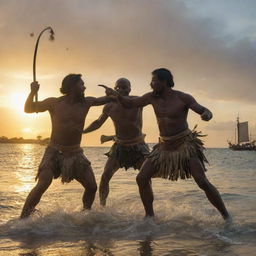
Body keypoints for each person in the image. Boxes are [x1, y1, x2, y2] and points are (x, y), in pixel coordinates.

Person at [105, 68, 231, 222]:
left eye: (154, 81)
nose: (151, 84)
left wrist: (207, 114)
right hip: (164, 146)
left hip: (185, 145)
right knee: (142, 178)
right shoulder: (151, 97)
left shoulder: (182, 97)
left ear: (164, 81)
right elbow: (129, 104)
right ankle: (150, 217)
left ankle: (226, 216)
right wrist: (116, 95)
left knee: (201, 180)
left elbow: (203, 109)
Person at [20, 74, 115, 218]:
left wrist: (111, 93)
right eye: (81, 84)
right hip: (54, 152)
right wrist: (32, 92)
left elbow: (111, 99)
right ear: (72, 86)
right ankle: (23, 219)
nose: (84, 87)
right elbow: (28, 109)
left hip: (75, 153)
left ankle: (85, 215)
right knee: (43, 184)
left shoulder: (87, 102)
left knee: (91, 186)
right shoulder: (54, 103)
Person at [83, 78, 149, 206]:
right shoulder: (109, 106)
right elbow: (98, 123)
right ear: (115, 88)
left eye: (125, 87)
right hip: (120, 146)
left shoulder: (136, 101)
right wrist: (83, 131)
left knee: (145, 178)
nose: (122, 90)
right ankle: (102, 207)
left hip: (139, 146)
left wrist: (116, 95)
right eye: (118, 87)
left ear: (130, 89)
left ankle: (149, 211)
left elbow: (129, 102)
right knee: (105, 176)